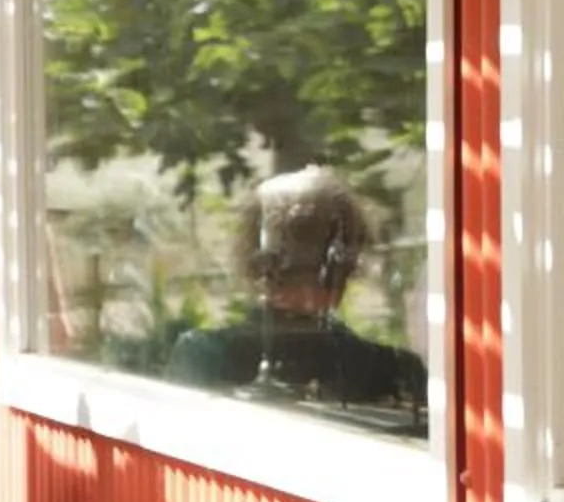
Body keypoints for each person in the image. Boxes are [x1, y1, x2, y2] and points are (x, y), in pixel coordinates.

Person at [167, 166, 425, 417]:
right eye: (295, 269)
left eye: (314, 265)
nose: (308, 287)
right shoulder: (393, 369)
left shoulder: (204, 355)